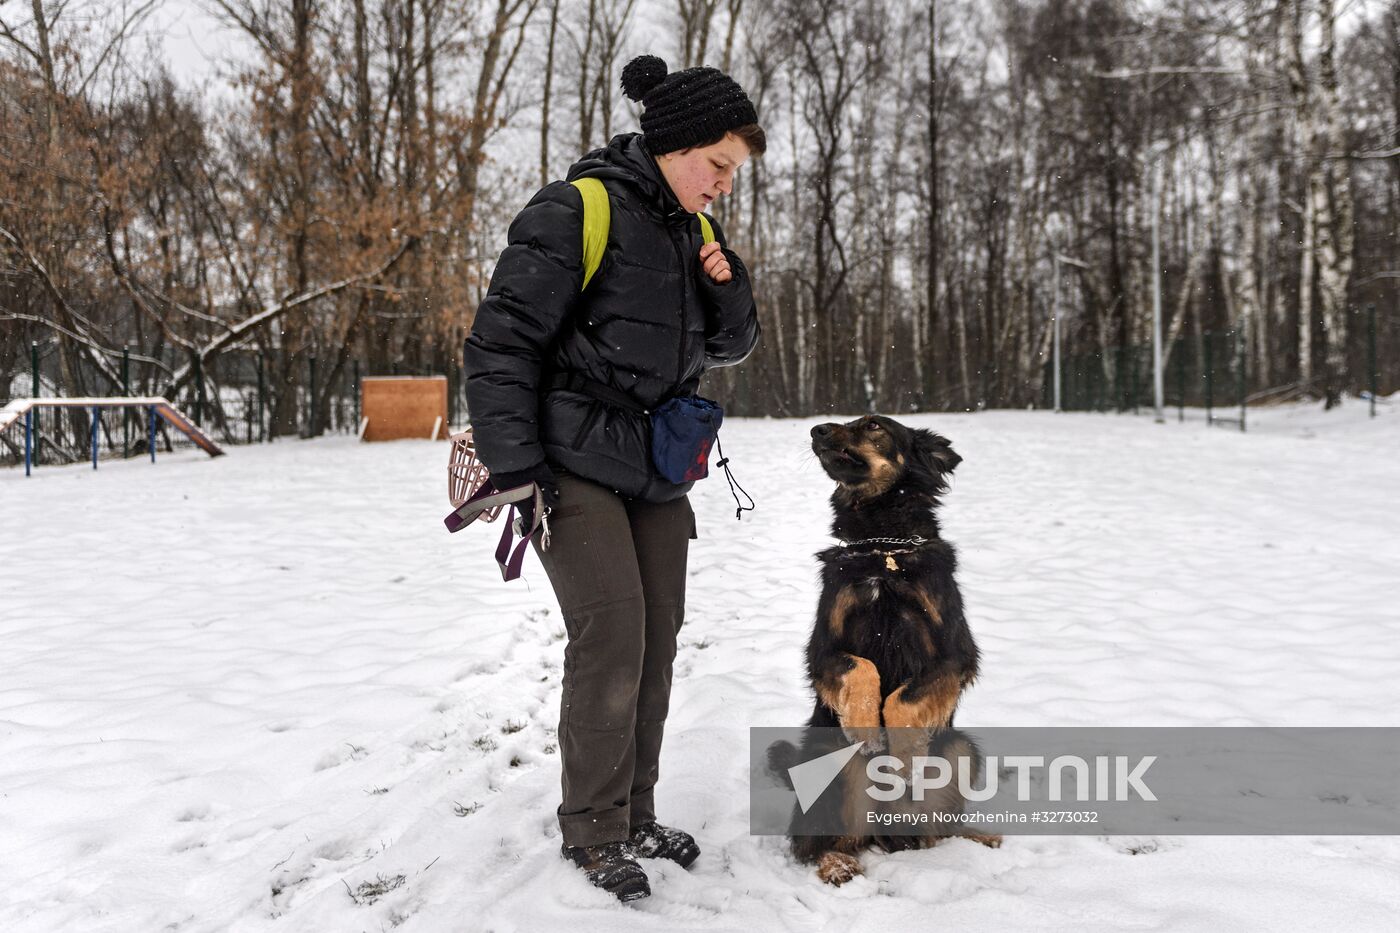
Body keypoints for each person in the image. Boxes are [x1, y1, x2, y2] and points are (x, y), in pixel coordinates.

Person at [463, 54, 765, 902]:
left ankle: (635, 811)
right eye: (718, 166)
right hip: (567, 460)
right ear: (672, 145)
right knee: (614, 633)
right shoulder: (574, 211)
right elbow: (500, 343)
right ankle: (592, 828)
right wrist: (516, 465)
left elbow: (730, 346)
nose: (723, 187)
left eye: (733, 173)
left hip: (657, 466)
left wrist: (731, 289)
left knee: (659, 637)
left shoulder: (696, 233)